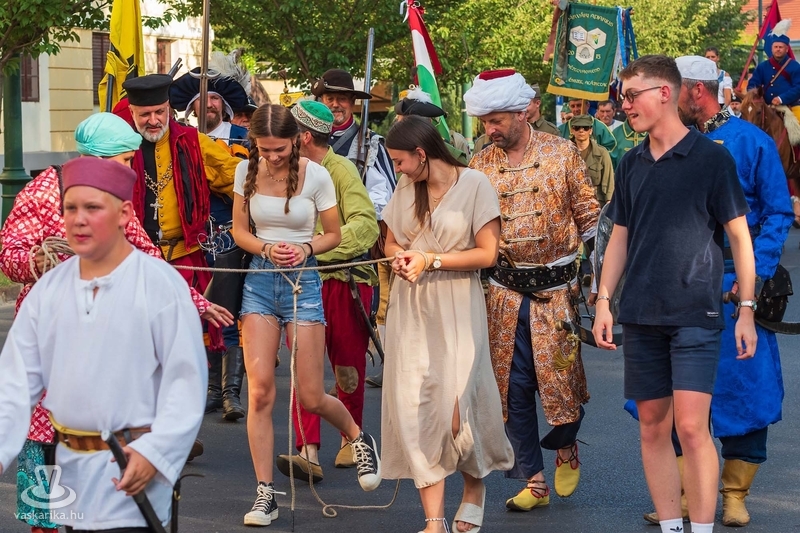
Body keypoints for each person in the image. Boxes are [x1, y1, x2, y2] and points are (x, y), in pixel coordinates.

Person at [0, 112, 224, 533]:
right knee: (45, 516)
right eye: (71, 209)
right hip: (58, 441)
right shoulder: (47, 291)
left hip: (128, 465)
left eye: (91, 209)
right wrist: (40, 261)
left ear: (120, 212)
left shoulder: (155, 283)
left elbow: (184, 382)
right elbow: (14, 383)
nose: (79, 219)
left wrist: (157, 453)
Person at [593, 55, 758, 533]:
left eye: (631, 95)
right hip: (641, 314)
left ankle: (701, 528)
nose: (624, 105)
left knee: (691, 427)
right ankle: (670, 526)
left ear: (664, 93)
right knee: (652, 427)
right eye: (621, 97)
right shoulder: (630, 162)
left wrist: (746, 310)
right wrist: (603, 301)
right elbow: (619, 237)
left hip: (695, 314)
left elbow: (740, 238)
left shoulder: (712, 159)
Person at [636, 55, 792, 528]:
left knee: (746, 390)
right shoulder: (659, 143)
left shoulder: (753, 142)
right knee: (671, 395)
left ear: (695, 91)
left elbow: (777, 213)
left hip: (732, 283)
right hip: (674, 286)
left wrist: (755, 276)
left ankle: (734, 494)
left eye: (673, 90)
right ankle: (685, 494)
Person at [231, 104, 381, 526]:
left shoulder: (317, 175)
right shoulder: (245, 171)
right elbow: (240, 231)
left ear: (296, 140)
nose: (272, 156)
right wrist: (265, 248)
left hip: (305, 280)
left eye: (279, 149)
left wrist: (306, 247)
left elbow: (333, 233)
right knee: (260, 392)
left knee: (311, 395)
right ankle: (265, 494)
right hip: (260, 281)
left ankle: (358, 438)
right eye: (264, 149)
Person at [464, 69, 600, 511]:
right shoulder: (480, 164)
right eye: (485, 122)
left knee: (562, 383)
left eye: (497, 120)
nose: (490, 129)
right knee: (511, 390)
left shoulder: (562, 153)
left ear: (523, 112)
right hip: (503, 294)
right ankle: (534, 481)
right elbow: (466, 225)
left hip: (556, 293)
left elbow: (591, 219)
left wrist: (601, 284)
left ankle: (567, 445)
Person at [380, 115, 514, 533]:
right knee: (416, 409)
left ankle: (474, 487)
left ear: (421, 154)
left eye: (400, 161)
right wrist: (400, 258)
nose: (397, 169)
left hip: (457, 302)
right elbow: (389, 241)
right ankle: (434, 521)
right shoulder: (407, 186)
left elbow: (487, 254)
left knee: (457, 411)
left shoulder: (475, 184)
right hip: (410, 306)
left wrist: (430, 259)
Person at [275, 100, 379, 481]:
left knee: (347, 369)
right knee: (304, 369)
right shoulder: (285, 172)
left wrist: (314, 247)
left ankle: (352, 440)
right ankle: (308, 450)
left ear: (304, 137)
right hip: (302, 281)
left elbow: (366, 226)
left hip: (344, 280)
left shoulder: (342, 170)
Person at [170, 66, 252, 420]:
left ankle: (232, 393)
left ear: (224, 105)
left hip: (231, 234)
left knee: (228, 310)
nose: (209, 104)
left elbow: (243, 181)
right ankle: (211, 390)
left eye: (215, 97)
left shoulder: (241, 138)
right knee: (200, 314)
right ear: (191, 107)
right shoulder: (179, 139)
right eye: (202, 98)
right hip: (193, 238)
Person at [312, 68, 396, 390]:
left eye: (342, 99)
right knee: (305, 361)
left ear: (353, 103)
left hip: (351, 259)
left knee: (348, 361)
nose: (335, 104)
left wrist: (344, 221)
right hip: (307, 263)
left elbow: (384, 197)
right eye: (329, 98)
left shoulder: (371, 144)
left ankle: (348, 416)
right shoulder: (299, 143)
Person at [474, 83, 559, 152]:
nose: (489, 131)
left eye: (497, 121)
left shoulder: (552, 133)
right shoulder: (483, 148)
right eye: (484, 122)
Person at [395, 88, 470, 164]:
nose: (400, 131)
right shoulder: (394, 153)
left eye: (406, 126)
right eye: (399, 125)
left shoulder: (451, 155)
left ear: (428, 123)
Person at [748, 22, 800, 122]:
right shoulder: (762, 66)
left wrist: (781, 98)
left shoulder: (795, 66)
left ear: (786, 49)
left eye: (781, 47)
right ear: (772, 49)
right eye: (776, 47)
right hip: (766, 107)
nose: (778, 49)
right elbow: (752, 85)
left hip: (791, 105)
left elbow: (798, 87)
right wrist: (755, 96)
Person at [569, 114, 614, 204]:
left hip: (595, 202)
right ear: (572, 130)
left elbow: (609, 181)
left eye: (585, 128)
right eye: (577, 128)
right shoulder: (566, 152)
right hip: (572, 201)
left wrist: (609, 202)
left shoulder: (601, 153)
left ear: (590, 131)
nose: (581, 130)